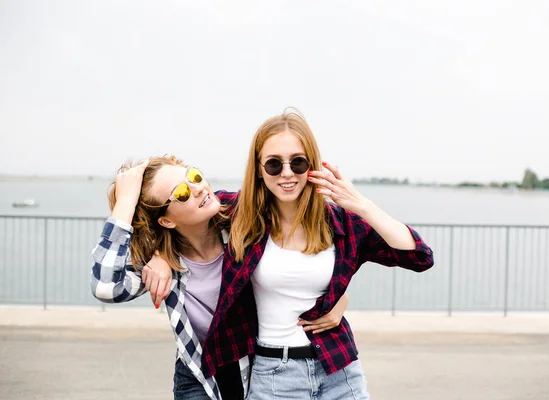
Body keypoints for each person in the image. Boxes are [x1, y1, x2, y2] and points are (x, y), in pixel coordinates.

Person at [145, 108, 435, 399]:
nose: (287, 173)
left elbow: (419, 256)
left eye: (297, 163)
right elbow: (175, 219)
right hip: (274, 375)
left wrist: (362, 205)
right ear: (259, 169)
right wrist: (157, 253)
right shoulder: (239, 214)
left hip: (339, 369)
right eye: (273, 164)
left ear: (311, 163)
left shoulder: (340, 221)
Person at [89, 155, 351, 400]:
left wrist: (338, 297)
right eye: (181, 193)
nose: (198, 188)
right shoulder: (161, 262)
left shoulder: (243, 220)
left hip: (256, 363)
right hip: (198, 376)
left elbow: (306, 246)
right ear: (166, 221)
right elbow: (106, 286)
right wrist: (126, 204)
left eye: (193, 176)